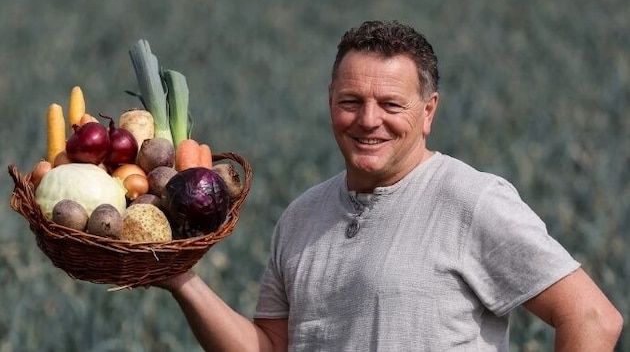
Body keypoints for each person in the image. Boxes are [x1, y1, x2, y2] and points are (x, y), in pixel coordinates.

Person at [157, 20, 623, 351]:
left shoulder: (470, 200)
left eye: (391, 104)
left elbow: (592, 318)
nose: (368, 120)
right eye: (351, 101)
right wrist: (180, 278)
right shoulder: (301, 217)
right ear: (330, 102)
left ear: (428, 111)